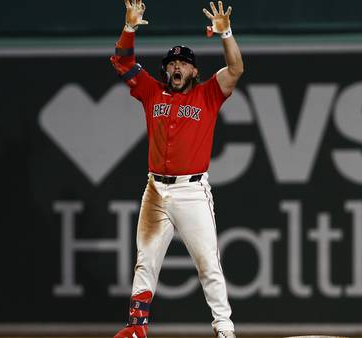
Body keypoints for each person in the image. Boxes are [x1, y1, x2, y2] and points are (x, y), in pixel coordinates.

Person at [110, 0, 243, 337]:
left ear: (194, 71)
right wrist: (129, 27)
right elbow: (122, 62)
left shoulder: (208, 94)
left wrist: (225, 32)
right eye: (173, 63)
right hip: (156, 189)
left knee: (208, 264)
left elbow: (236, 68)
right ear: (165, 70)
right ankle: (136, 328)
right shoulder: (152, 92)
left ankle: (225, 329)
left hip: (191, 191)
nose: (178, 67)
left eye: (184, 63)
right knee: (146, 259)